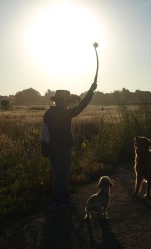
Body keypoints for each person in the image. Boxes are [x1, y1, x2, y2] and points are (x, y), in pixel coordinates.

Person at [43, 82, 97, 211]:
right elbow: (82, 105)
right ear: (64, 102)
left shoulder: (48, 114)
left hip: (51, 151)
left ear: (56, 101)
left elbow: (45, 133)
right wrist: (91, 91)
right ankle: (56, 204)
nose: (67, 104)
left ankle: (66, 202)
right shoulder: (65, 113)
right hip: (63, 151)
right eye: (67, 102)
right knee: (61, 178)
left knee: (59, 177)